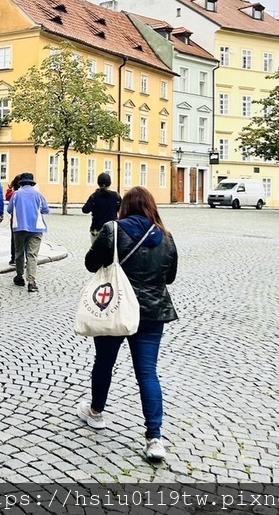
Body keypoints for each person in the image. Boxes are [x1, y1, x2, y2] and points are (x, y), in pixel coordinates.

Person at [79, 186, 178, 464]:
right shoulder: (166, 237)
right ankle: (154, 438)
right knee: (147, 373)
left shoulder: (112, 230)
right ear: (151, 206)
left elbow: (90, 263)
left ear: (126, 207)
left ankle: (96, 413)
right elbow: (169, 277)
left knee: (104, 362)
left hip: (116, 308)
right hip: (152, 313)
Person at [6, 172, 49, 291]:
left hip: (19, 228)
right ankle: (31, 281)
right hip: (36, 228)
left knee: (19, 253)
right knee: (32, 255)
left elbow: (9, 210)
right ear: (32, 183)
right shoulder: (38, 194)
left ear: (21, 183)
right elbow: (46, 210)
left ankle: (19, 276)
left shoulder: (16, 195)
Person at [82, 171, 122, 243]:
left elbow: (85, 210)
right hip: (112, 230)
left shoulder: (94, 196)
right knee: (110, 253)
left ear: (98, 183)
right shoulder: (116, 196)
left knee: (96, 252)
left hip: (96, 230)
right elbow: (122, 210)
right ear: (110, 183)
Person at [5, 174, 22, 266]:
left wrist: (10, 188)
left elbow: (7, 197)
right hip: (25, 220)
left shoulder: (14, 194)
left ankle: (13, 258)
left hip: (14, 220)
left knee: (14, 239)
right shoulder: (25, 193)